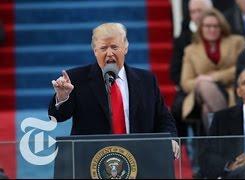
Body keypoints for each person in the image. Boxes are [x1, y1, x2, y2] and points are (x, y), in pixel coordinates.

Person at [48, 23, 179, 159]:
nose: (109, 53)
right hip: (93, 160)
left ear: (125, 48)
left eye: (114, 47)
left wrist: (171, 139)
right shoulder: (76, 79)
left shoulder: (146, 80)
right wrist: (62, 97)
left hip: (140, 158)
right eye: (103, 48)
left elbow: (163, 118)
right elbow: (56, 117)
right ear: (95, 51)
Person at [180, 8, 245, 134]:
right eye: (208, 26)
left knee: (207, 110)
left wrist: (214, 77)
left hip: (231, 89)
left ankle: (217, 143)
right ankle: (229, 132)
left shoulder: (237, 42)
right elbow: (186, 82)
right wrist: (202, 81)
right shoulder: (190, 50)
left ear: (222, 27)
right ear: (201, 27)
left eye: (216, 26)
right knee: (204, 86)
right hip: (201, 92)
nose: (212, 29)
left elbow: (241, 68)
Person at [170, 0, 213, 137]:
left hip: (218, 85)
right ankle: (182, 150)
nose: (196, 15)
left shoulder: (222, 34)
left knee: (205, 108)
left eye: (200, 11)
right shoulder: (183, 38)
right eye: (193, 12)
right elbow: (175, 72)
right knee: (177, 108)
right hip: (190, 86)